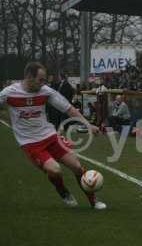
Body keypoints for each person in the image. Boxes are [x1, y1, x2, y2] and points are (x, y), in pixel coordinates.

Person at [0, 62, 106, 209]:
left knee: (76, 166)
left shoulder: (46, 91)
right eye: (40, 80)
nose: (44, 83)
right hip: (31, 143)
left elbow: (69, 109)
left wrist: (88, 125)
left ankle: (93, 201)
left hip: (50, 136)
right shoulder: (8, 93)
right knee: (55, 170)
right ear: (29, 77)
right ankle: (63, 191)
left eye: (45, 80)